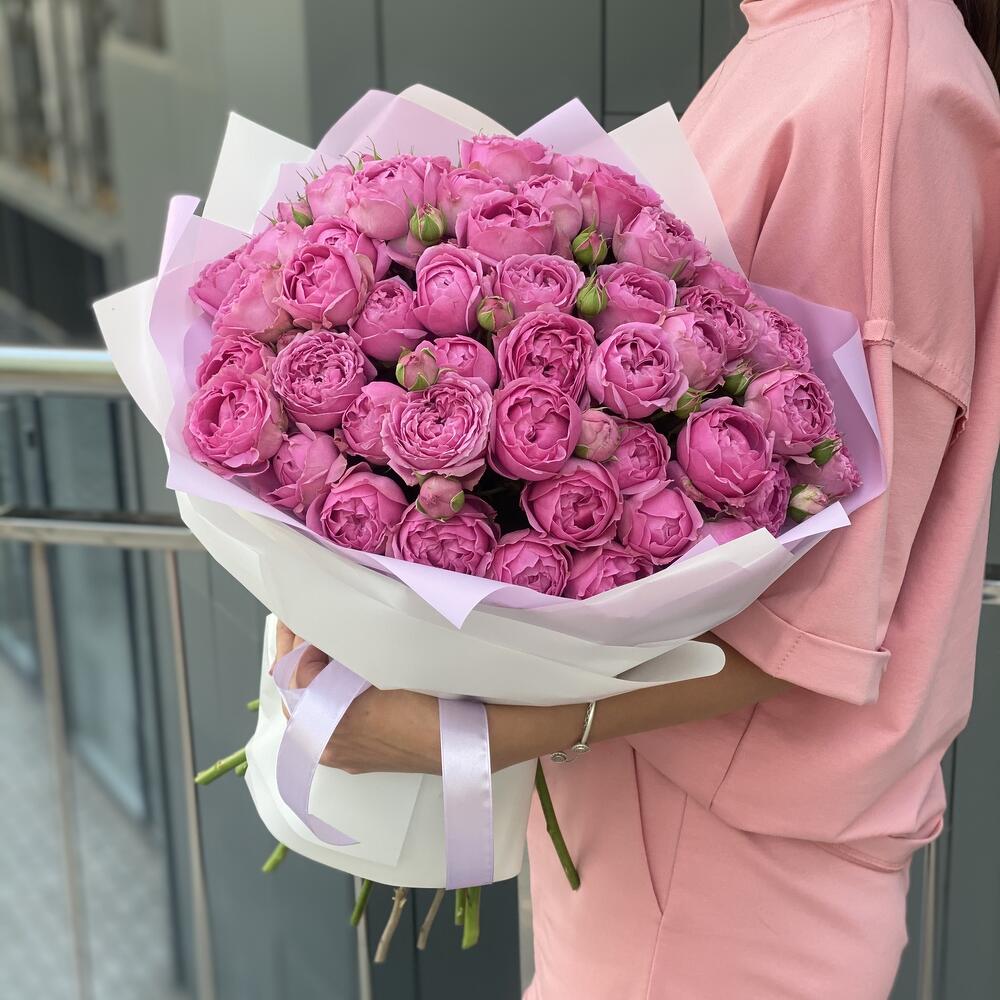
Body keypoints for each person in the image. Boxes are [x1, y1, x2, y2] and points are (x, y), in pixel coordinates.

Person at [277, 1, 1000, 995]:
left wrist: (452, 736)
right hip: (667, 848)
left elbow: (817, 624)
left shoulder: (871, 93)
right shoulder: (817, 48)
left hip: (719, 888)